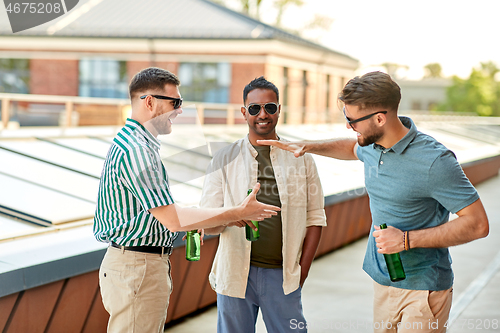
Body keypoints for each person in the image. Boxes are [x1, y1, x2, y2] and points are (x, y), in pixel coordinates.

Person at [258, 71, 489, 333]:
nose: (348, 126)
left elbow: (478, 224)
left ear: (380, 118)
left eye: (352, 120)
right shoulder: (372, 143)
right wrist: (309, 146)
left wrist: (405, 240)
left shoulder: (435, 161)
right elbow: (351, 148)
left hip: (423, 288)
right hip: (382, 281)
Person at [93, 68, 280, 333]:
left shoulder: (136, 145)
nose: (180, 110)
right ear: (149, 101)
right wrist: (236, 211)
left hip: (136, 267)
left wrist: (222, 216)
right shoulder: (138, 152)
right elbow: (174, 220)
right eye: (175, 102)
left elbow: (166, 214)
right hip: (137, 268)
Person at [201, 76, 327, 333]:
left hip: (283, 276)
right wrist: (231, 215)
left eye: (270, 107)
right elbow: (207, 220)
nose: (262, 114)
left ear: (279, 110)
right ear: (244, 112)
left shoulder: (301, 158)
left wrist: (301, 272)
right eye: (254, 108)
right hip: (234, 274)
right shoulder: (223, 158)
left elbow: (316, 217)